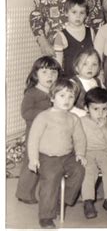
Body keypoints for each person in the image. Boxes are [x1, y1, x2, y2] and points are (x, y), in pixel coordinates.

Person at [27, 79, 86, 228]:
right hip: (47, 157)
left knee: (79, 170)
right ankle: (46, 216)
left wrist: (80, 153)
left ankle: (63, 200)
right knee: (51, 179)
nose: (67, 100)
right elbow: (33, 139)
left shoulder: (73, 118)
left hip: (67, 156)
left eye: (71, 96)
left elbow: (80, 138)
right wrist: (33, 159)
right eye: (62, 95)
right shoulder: (43, 117)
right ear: (52, 98)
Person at [16, 56, 61, 205]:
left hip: (51, 135)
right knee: (32, 161)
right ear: (36, 74)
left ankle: (50, 192)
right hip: (34, 134)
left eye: (53, 73)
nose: (50, 76)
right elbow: (26, 113)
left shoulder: (57, 92)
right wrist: (46, 112)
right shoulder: (32, 93)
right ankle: (24, 193)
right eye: (45, 72)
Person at [80, 88, 107, 219]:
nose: (100, 113)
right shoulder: (81, 122)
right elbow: (76, 140)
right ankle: (88, 201)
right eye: (95, 109)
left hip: (104, 152)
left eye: (104, 109)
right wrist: (79, 154)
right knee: (89, 170)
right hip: (87, 152)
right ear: (87, 108)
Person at [53, 0, 95, 78]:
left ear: (86, 14)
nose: (78, 16)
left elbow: (95, 56)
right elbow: (58, 63)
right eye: (74, 12)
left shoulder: (90, 32)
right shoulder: (61, 35)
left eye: (82, 13)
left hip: (89, 77)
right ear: (66, 13)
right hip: (70, 79)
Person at [70, 48, 103, 117]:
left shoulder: (98, 82)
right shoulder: (73, 83)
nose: (90, 68)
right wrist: (84, 114)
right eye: (85, 64)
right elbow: (68, 106)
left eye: (94, 64)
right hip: (78, 118)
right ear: (76, 67)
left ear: (98, 68)